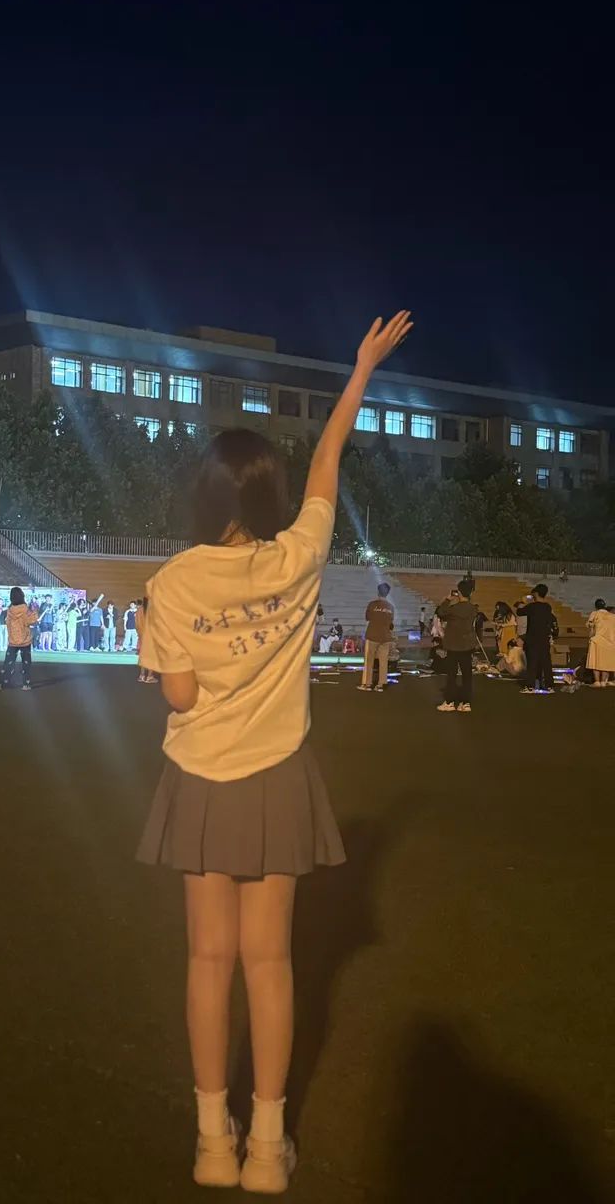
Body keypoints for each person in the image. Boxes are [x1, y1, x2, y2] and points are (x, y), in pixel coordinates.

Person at [137, 310, 411, 1192]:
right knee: (271, 964)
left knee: (206, 962)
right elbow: (329, 462)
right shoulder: (300, 555)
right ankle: (266, 1148)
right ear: (265, 499)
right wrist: (360, 371)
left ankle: (211, 1143)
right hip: (279, 772)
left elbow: (179, 695)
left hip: (200, 777)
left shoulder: (174, 581)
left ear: (205, 496)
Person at [436, 581, 478, 712]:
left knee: (452, 675)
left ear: (458, 592)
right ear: (471, 593)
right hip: (467, 645)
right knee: (467, 675)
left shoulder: (453, 609)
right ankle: (466, 703)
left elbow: (440, 612)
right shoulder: (473, 609)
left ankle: (450, 702)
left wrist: (448, 599)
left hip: (453, 645)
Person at [515, 585, 555, 694]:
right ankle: (549, 686)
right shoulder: (547, 607)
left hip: (532, 638)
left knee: (532, 662)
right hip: (544, 638)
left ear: (536, 593)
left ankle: (530, 686)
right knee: (546, 662)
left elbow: (519, 612)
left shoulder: (532, 606)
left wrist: (522, 601)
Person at [0, 586, 38, 690]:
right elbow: (31, 621)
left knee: (8, 662)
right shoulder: (25, 609)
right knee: (26, 663)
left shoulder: (10, 610)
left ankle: (3, 684)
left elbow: (8, 623)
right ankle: (26, 684)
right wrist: (34, 611)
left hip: (13, 640)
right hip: (25, 640)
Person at [359, 582, 393, 691]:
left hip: (372, 635)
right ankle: (381, 684)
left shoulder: (372, 604)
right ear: (387, 593)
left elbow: (367, 617)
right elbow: (390, 622)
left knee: (369, 661)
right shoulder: (391, 607)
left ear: (378, 592)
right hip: (386, 637)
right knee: (383, 662)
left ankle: (367, 684)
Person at [586, 599, 615, 687]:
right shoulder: (613, 616)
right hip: (610, 642)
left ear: (596, 606)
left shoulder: (594, 614)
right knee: (605, 662)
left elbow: (590, 626)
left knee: (596, 662)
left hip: (597, 640)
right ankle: (603, 681)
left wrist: (590, 636)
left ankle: (597, 681)